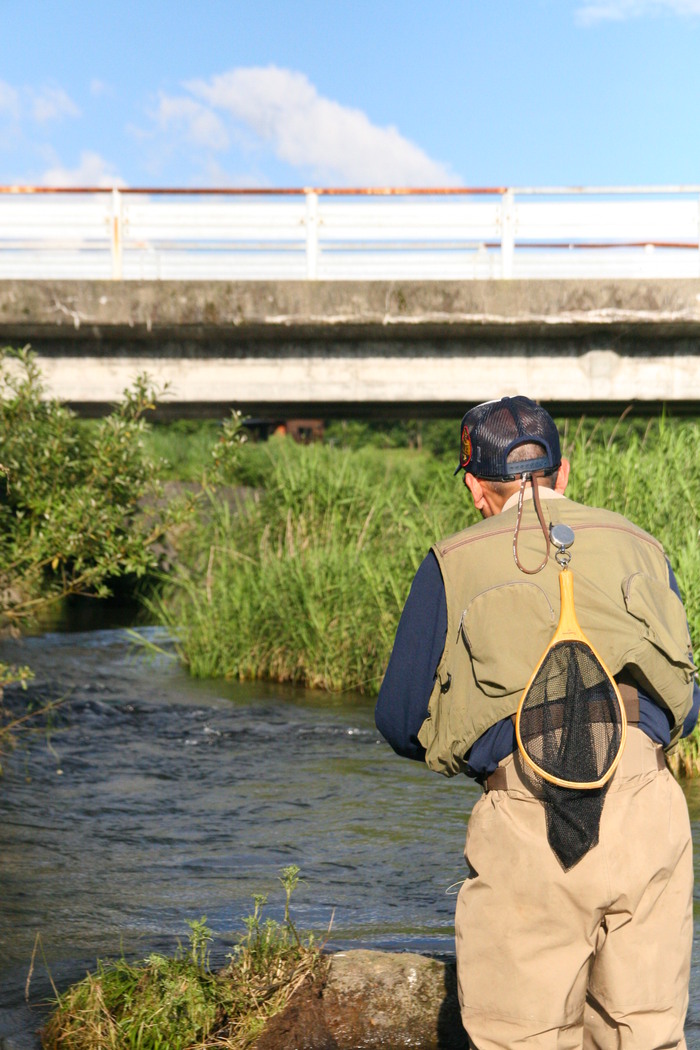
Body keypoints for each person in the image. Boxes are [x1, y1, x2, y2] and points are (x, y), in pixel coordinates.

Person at [375, 396, 699, 1050]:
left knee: (523, 1039)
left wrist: (477, 756)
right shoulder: (641, 543)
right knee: (648, 1036)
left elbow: (400, 719)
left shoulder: (450, 561)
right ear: (564, 472)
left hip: (530, 807)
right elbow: (687, 697)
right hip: (651, 807)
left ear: (474, 487)